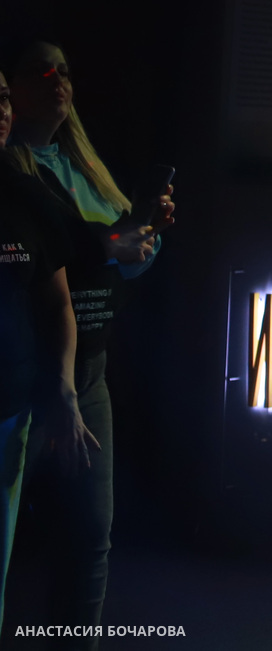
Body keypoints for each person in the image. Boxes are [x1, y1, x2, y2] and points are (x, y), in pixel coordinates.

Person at [3, 38, 168, 647]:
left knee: (90, 535)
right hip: (25, 371)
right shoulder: (13, 177)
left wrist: (140, 240)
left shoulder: (84, 167)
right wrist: (111, 247)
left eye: (65, 70)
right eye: (39, 71)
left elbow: (119, 263)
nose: (57, 81)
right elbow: (56, 269)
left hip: (88, 366)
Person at [0, 65, 96, 629]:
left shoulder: (24, 194)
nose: (1, 111)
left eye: (3, 98)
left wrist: (64, 390)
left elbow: (58, 304)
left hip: (7, 412)